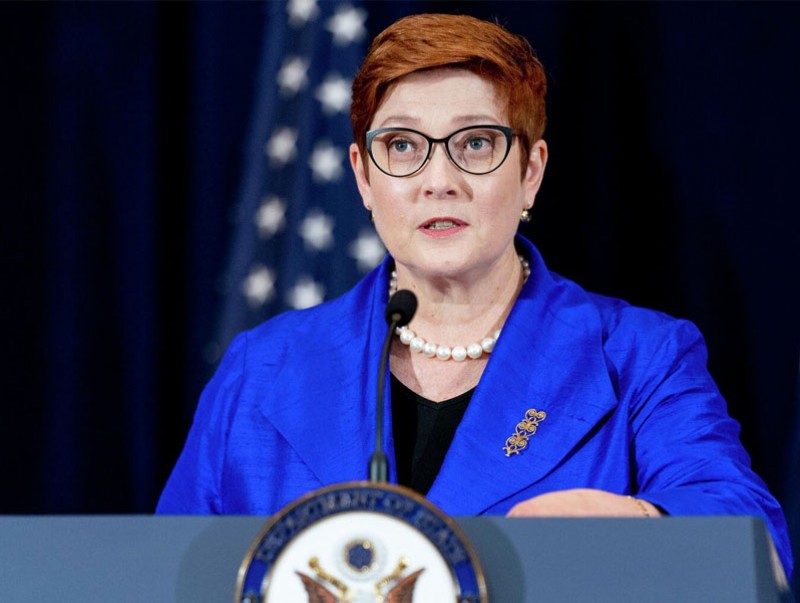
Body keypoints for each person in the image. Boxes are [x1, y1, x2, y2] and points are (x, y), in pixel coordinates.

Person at [157, 13, 793, 578]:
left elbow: (756, 546)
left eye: (476, 144)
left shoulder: (640, 357)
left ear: (531, 173)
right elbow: (169, 574)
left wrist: (643, 524)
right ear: (363, 178)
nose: (439, 180)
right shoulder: (263, 367)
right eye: (401, 146)